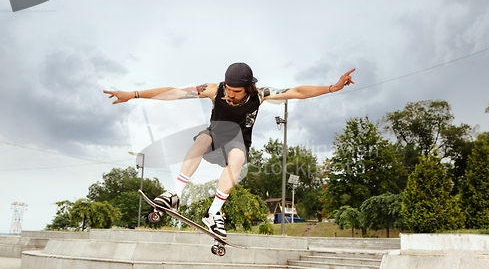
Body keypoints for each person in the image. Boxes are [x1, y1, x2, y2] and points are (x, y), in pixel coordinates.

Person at [104, 63, 355, 238]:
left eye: (236, 92)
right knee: (202, 139)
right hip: (215, 137)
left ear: (248, 87)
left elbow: (298, 92)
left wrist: (332, 87)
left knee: (237, 157)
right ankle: (175, 193)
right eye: (229, 90)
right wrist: (133, 94)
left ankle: (213, 213)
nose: (230, 96)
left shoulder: (261, 94)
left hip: (237, 143)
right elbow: (174, 93)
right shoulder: (215, 89)